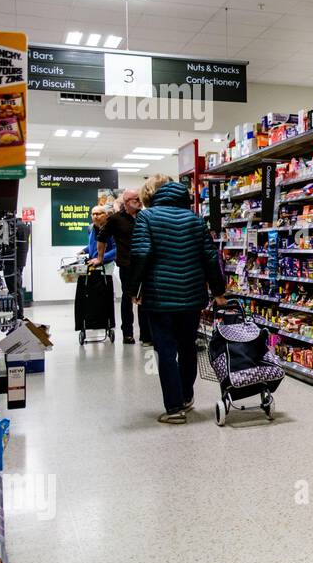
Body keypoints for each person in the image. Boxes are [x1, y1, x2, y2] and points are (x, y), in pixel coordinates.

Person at [129, 174, 226, 424]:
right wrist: (218, 291)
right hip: (192, 296)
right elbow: (210, 258)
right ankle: (186, 397)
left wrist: (133, 289)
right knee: (187, 347)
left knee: (166, 351)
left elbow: (141, 254)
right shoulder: (195, 220)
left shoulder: (147, 217)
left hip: (160, 297)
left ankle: (174, 408)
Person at [94, 189, 149, 344]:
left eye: (139, 198)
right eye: (135, 199)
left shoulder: (145, 217)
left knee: (144, 300)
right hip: (126, 265)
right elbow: (102, 237)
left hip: (144, 264)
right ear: (126, 202)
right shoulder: (116, 219)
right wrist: (100, 258)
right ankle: (127, 333)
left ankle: (145, 335)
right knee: (127, 299)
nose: (139, 201)